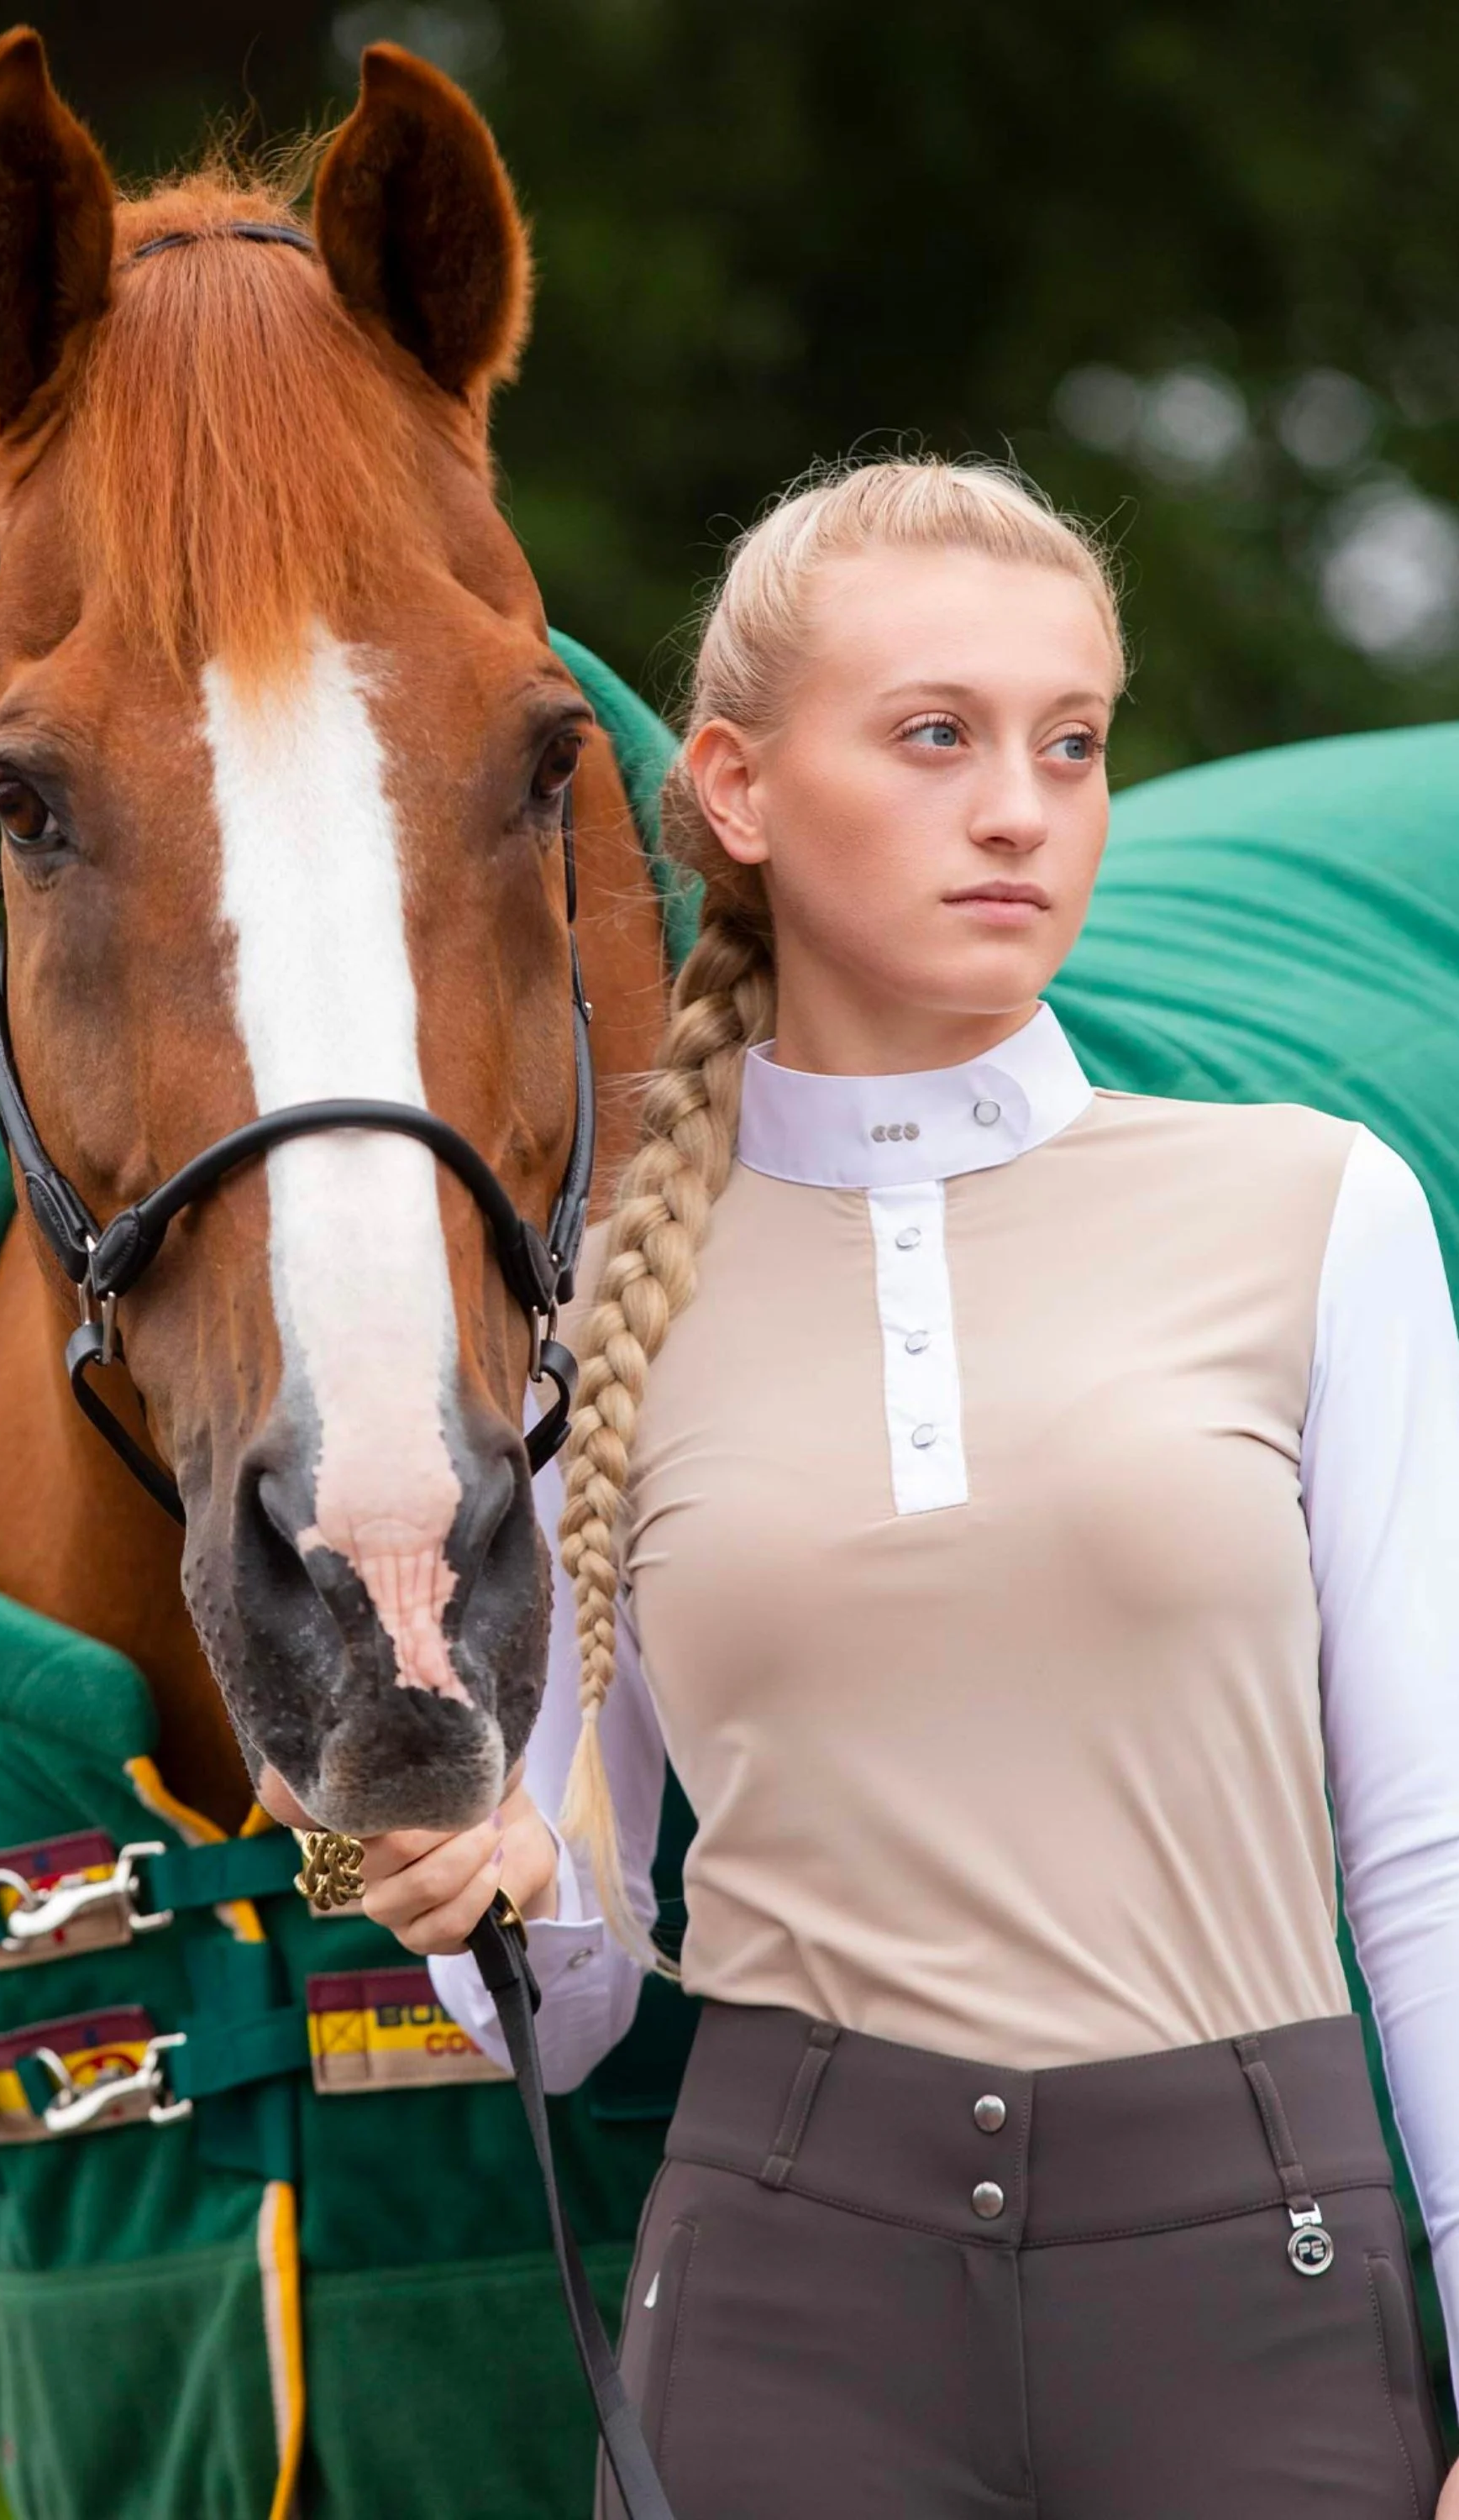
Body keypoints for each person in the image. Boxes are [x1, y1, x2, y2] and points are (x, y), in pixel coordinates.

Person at [354, 456, 1459, 2517]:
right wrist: (456, 1892)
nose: (1023, 808)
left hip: (1264, 2284)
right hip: (784, 2307)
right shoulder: (586, 1314)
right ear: (741, 791)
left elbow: (1431, 1861)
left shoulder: (1315, 1211)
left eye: (1072, 743)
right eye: (936, 736)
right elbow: (576, 1997)